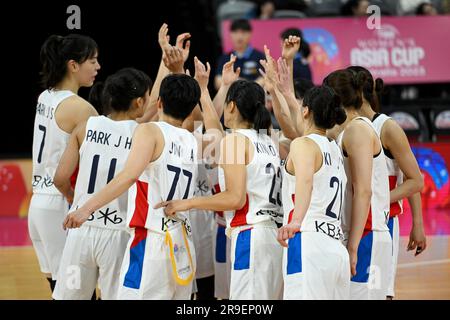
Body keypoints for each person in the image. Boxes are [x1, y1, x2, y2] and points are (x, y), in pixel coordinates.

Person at [62, 43, 203, 299]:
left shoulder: (137, 130)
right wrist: (178, 71)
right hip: (179, 239)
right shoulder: (192, 140)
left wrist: (83, 208)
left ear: (158, 101)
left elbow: (128, 176)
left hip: (144, 239)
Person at [156, 79, 284, 300]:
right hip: (274, 237)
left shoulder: (235, 141)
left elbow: (235, 198)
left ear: (231, 106)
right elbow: (217, 136)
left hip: (251, 235)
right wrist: (204, 92)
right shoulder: (269, 140)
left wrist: (187, 203)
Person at [52, 68, 152, 300]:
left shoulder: (86, 126)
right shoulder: (144, 134)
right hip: (119, 234)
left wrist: (71, 197)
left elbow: (59, 178)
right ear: (139, 102)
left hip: (80, 230)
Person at [347, 66, 426, 299]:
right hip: (355, 221)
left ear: (357, 94)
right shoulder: (348, 126)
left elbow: (414, 179)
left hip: (382, 222)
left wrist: (418, 223)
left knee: (380, 293)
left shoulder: (387, 127)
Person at [29, 34, 100, 293]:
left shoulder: (45, 96)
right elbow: (121, 131)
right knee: (78, 292)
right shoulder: (80, 108)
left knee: (61, 288)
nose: (97, 67)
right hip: (60, 204)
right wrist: (75, 200)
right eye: (92, 60)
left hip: (38, 204)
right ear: (73, 65)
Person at [324, 69, 392, 300]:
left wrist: (352, 246)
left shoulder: (358, 130)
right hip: (361, 233)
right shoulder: (347, 130)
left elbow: (363, 190)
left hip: (367, 234)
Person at [278, 85, 350, 299]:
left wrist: (296, 221)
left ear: (306, 111)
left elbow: (306, 181)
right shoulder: (335, 148)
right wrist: (288, 94)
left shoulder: (302, 144)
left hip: (308, 240)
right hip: (336, 247)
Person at [215, 19, 265, 90]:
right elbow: (217, 81)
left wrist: (247, 87)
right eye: (235, 32)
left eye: (243, 32)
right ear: (230, 34)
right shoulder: (225, 58)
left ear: (250, 34)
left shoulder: (259, 56)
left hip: (254, 97)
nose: (239, 36)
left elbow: (264, 78)